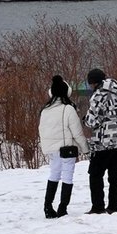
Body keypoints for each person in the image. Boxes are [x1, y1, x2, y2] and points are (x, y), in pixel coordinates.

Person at [38, 74, 89, 218]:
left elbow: (42, 130)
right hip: (66, 149)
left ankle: (48, 206)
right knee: (67, 176)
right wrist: (86, 149)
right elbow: (77, 133)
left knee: (54, 174)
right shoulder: (68, 109)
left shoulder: (45, 110)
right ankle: (62, 208)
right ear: (67, 92)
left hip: (51, 149)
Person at [83, 67, 117, 214]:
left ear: (94, 83)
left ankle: (98, 207)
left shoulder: (99, 96)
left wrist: (85, 119)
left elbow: (92, 121)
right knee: (115, 176)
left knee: (95, 175)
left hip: (103, 143)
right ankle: (113, 207)